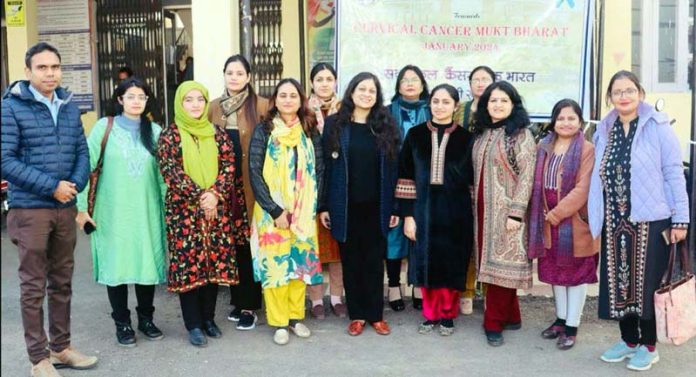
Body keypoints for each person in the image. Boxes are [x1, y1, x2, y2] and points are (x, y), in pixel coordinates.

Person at [1, 42, 98, 377]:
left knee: (62, 281)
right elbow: (5, 160)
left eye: (55, 67)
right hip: (31, 209)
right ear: (28, 71)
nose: (50, 73)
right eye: (42, 68)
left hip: (64, 207)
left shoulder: (69, 105)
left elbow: (81, 151)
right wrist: (51, 186)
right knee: (33, 285)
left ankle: (61, 348)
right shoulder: (12, 107)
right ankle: (38, 359)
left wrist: (73, 184)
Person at [589, 71, 689, 371]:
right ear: (610, 97)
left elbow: (673, 172)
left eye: (629, 90)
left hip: (651, 219)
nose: (624, 96)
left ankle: (649, 345)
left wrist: (681, 219)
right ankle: (629, 340)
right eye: (617, 91)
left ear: (640, 93)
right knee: (619, 285)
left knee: (645, 287)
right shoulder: (604, 130)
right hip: (615, 222)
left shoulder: (658, 126)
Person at [75, 78, 167, 347]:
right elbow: (87, 168)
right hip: (111, 211)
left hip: (147, 210)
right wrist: (81, 209)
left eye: (141, 96)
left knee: (146, 263)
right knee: (117, 266)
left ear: (147, 101)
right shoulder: (105, 128)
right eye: (131, 96)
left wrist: (169, 210)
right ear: (120, 100)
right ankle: (122, 323)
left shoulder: (157, 131)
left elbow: (163, 177)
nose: (136, 101)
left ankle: (146, 319)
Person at [157, 81, 240, 347]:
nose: (195, 105)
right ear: (180, 104)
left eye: (200, 100)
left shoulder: (217, 133)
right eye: (189, 100)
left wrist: (214, 194)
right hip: (183, 212)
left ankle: (208, 319)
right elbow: (171, 171)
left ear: (206, 103)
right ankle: (192, 324)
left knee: (212, 265)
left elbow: (229, 165)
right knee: (189, 266)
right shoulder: (170, 136)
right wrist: (201, 197)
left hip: (216, 209)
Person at [321, 72, 401, 336]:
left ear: (377, 97)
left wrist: (395, 208)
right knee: (351, 260)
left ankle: (376, 314)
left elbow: (394, 169)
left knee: (374, 261)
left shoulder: (385, 125)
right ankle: (357, 315)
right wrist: (323, 206)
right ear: (351, 92)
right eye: (362, 89)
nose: (367, 94)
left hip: (377, 205)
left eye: (372, 90)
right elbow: (326, 169)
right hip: (344, 205)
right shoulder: (335, 124)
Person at [248, 78, 324, 345]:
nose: (288, 100)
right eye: (283, 95)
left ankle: (295, 318)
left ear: (301, 100)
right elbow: (255, 173)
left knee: (299, 265)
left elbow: (320, 169)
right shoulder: (265, 130)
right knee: (276, 267)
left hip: (303, 213)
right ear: (275, 100)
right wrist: (275, 210)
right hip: (272, 213)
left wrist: (311, 207)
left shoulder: (309, 128)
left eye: (293, 95)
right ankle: (279, 322)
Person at [396, 84, 474, 336]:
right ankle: (430, 315)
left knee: (451, 264)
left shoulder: (466, 139)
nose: (440, 106)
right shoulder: (415, 136)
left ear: (455, 105)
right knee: (425, 263)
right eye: (435, 101)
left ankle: (448, 315)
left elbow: (472, 181)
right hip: (423, 212)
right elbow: (405, 176)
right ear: (429, 104)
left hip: (456, 213)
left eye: (446, 102)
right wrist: (408, 216)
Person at [527, 99, 598, 350]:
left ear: (580, 121)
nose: (565, 123)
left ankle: (572, 326)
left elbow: (583, 188)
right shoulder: (543, 146)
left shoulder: (587, 148)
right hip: (546, 220)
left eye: (571, 118)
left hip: (575, 221)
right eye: (561, 118)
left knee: (576, 275)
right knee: (556, 272)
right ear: (553, 121)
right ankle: (560, 319)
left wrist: (557, 213)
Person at [471, 81, 536, 347]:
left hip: (508, 213)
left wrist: (516, 213)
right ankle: (512, 315)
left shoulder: (520, 135)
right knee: (492, 266)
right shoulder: (483, 133)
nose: (497, 105)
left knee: (504, 265)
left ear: (513, 105)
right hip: (482, 211)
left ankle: (493, 322)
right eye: (493, 100)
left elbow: (527, 177)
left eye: (503, 101)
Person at [208, 54, 269, 330]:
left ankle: (249, 305)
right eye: (229, 72)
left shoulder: (262, 106)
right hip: (222, 187)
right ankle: (236, 300)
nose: (234, 77)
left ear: (248, 77)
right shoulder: (212, 108)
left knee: (247, 247)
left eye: (239, 73)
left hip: (249, 186)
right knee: (229, 245)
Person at [386, 64, 431, 311]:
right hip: (393, 181)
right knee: (394, 233)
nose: (410, 83)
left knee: (419, 233)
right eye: (405, 79)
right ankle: (394, 286)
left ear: (423, 84)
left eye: (415, 79)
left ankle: (417, 284)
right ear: (398, 85)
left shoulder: (433, 110)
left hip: (425, 183)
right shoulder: (386, 112)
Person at [454, 65, 496, 315]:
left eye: (485, 79)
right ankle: (467, 291)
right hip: (463, 180)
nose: (480, 83)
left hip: (492, 183)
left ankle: (490, 292)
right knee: (467, 238)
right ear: (469, 84)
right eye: (476, 79)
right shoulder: (460, 110)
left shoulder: (499, 107)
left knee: (489, 238)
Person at [306, 62, 346, 319]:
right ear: (311, 83)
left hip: (338, 183)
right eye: (319, 79)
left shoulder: (345, 111)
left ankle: (336, 297)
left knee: (337, 247)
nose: (324, 83)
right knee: (313, 248)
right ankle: (316, 299)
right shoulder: (303, 111)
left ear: (335, 82)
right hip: (309, 186)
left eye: (328, 78)